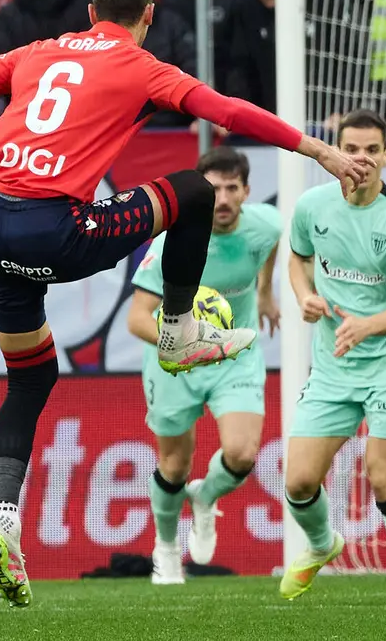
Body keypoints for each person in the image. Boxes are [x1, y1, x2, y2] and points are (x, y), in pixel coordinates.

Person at [0, 0, 373, 607]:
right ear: (150, 16)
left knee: (30, 379)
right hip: (56, 231)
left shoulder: (34, 52)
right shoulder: (142, 65)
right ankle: (181, 333)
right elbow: (229, 112)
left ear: (90, 12)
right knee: (192, 190)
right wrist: (318, 149)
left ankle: (3, 519)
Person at [281, 108, 386, 606]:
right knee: (299, 480)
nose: (361, 159)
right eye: (352, 148)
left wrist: (367, 325)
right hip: (333, 363)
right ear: (335, 151)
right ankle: (324, 545)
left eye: (372, 150)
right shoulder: (312, 207)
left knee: (383, 473)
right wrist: (304, 295)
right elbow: (298, 260)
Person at [126, 147, 280, 584]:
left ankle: (206, 498)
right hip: (174, 362)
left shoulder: (264, 225)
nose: (224, 198)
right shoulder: (171, 245)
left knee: (242, 453)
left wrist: (265, 293)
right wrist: (189, 342)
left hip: (235, 355)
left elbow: (270, 245)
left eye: (233, 188)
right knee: (174, 465)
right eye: (214, 190)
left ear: (248, 191)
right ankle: (166, 548)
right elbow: (137, 319)